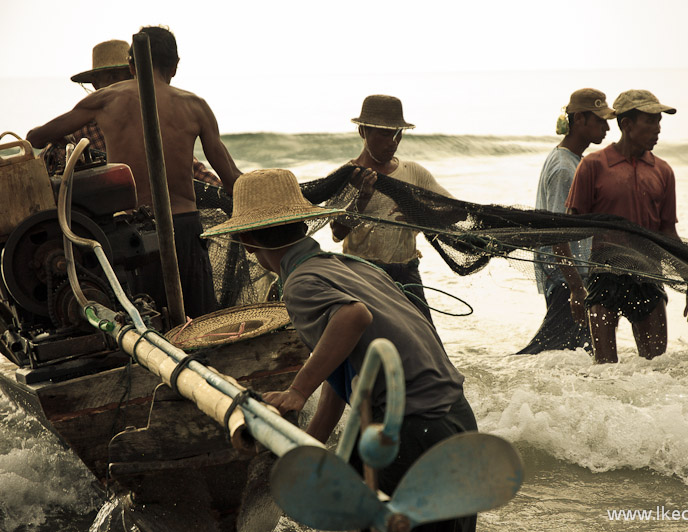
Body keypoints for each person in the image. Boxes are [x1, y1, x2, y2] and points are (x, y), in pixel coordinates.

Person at [202, 168, 477, 532]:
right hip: (455, 416)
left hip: (413, 428)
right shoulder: (353, 267)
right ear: (302, 225)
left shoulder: (300, 283)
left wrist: (297, 391)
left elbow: (353, 317)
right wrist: (310, 444)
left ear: (248, 243)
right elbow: (340, 370)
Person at [27, 26, 241, 318]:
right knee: (201, 322)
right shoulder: (196, 106)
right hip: (186, 229)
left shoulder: (104, 100)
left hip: (132, 233)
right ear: (175, 67)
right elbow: (231, 179)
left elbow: (35, 138)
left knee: (146, 322)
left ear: (131, 65)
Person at [558, 89, 688, 363]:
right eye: (650, 122)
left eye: (659, 122)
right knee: (603, 371)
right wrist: (574, 287)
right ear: (626, 124)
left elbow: (668, 234)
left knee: (656, 370)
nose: (658, 130)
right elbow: (568, 229)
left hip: (648, 279)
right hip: (605, 277)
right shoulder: (593, 166)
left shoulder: (662, 171)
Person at [330, 94, 453, 324]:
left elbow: (452, 210)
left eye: (398, 134)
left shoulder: (413, 173)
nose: (393, 142)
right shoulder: (349, 176)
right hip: (362, 275)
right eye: (385, 133)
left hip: (407, 272)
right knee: (372, 343)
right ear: (363, 132)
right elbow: (337, 233)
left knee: (424, 338)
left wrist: (417, 212)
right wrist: (361, 199)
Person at [42, 39, 222, 187]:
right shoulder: (79, 131)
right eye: (110, 77)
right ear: (96, 84)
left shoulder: (153, 116)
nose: (120, 84)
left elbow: (191, 167)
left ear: (134, 75)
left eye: (124, 76)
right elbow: (38, 147)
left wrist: (224, 190)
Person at [518, 88, 614, 355]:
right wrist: (576, 288)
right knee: (557, 350)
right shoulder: (564, 168)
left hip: (568, 276)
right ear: (580, 119)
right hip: (565, 278)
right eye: (600, 120)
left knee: (572, 353)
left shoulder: (571, 160)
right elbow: (559, 233)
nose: (607, 127)